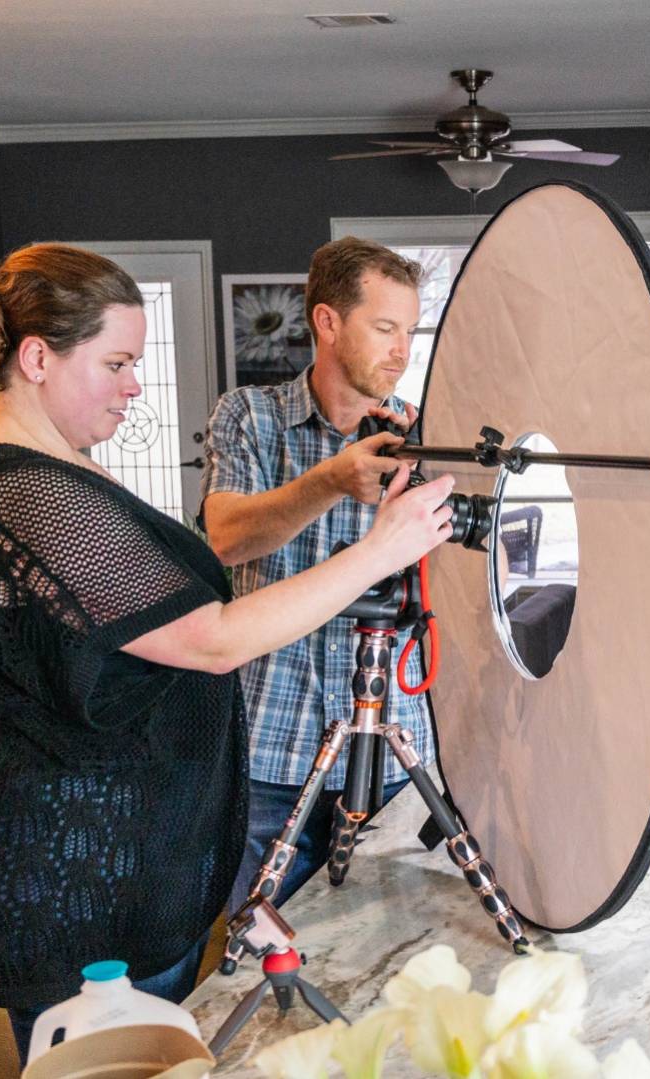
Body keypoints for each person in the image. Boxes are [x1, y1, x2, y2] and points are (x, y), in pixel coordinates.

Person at [0, 243, 455, 1063]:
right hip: (69, 883)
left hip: (106, 874)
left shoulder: (46, 464)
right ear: (36, 359)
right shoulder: (17, 488)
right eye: (116, 362)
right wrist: (381, 548)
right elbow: (211, 637)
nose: (134, 384)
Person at [200, 237, 440, 913]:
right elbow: (226, 537)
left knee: (388, 947)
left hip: (395, 749)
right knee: (259, 944)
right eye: (385, 328)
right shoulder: (249, 416)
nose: (402, 351)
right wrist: (331, 479)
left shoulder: (423, 435)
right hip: (271, 750)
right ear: (327, 322)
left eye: (410, 331)